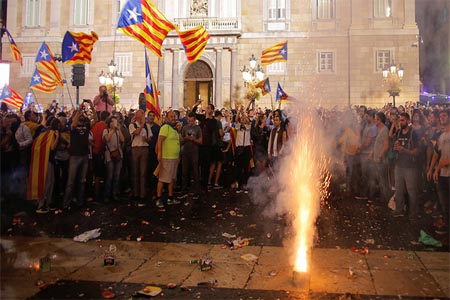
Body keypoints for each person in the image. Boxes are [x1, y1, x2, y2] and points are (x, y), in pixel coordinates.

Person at [62, 101, 97, 210]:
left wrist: (92, 106)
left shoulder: (86, 125)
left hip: (84, 154)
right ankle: (66, 203)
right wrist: (79, 110)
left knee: (82, 180)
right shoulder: (72, 127)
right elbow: (73, 124)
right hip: (75, 155)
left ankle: (80, 201)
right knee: (71, 181)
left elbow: (95, 120)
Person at [392, 112, 420, 219]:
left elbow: (416, 152)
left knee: (411, 191)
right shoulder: (399, 133)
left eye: (403, 120)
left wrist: (404, 150)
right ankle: (399, 210)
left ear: (408, 121)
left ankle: (413, 213)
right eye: (400, 120)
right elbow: (395, 146)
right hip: (399, 165)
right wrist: (395, 148)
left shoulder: (413, 134)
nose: (400, 122)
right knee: (398, 189)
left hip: (410, 167)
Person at [155, 110, 182, 209]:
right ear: (167, 118)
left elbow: (180, 142)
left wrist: (179, 131)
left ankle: (170, 197)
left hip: (174, 158)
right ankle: (159, 198)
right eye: (171, 116)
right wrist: (159, 154)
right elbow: (160, 141)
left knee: (171, 179)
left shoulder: (174, 130)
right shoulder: (165, 128)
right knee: (162, 179)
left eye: (174, 116)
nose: (173, 118)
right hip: (166, 158)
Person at [178, 112, 202, 200]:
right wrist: (185, 139)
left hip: (194, 152)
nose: (190, 122)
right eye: (189, 121)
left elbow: (200, 141)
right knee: (184, 171)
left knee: (195, 171)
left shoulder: (198, 128)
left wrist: (194, 139)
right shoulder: (184, 128)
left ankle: (196, 191)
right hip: (185, 152)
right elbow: (181, 141)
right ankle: (184, 190)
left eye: (192, 121)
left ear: (194, 120)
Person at [129, 109, 152, 202]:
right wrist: (142, 124)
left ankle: (143, 194)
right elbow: (136, 133)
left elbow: (150, 139)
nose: (143, 115)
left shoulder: (148, 126)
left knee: (143, 172)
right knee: (135, 171)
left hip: (144, 148)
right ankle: (136, 193)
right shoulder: (132, 125)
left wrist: (146, 139)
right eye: (141, 114)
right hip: (135, 149)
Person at [103, 116, 125, 202]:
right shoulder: (106, 131)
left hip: (118, 154)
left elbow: (123, 140)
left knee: (117, 176)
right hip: (109, 156)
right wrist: (112, 130)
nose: (114, 124)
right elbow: (107, 139)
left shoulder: (117, 131)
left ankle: (115, 193)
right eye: (112, 122)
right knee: (110, 176)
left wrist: (118, 129)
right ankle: (107, 195)